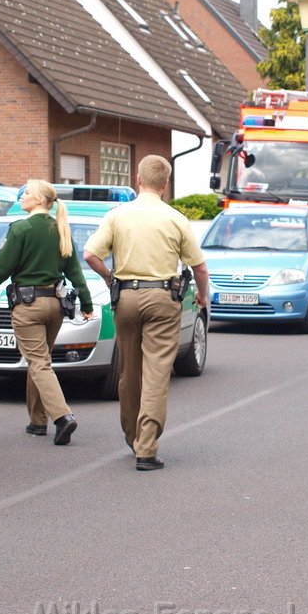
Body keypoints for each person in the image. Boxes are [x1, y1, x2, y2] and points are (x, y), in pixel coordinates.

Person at [83, 155, 209, 472]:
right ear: (165, 185)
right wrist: (203, 296)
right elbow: (199, 266)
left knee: (129, 372)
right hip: (163, 298)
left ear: (138, 179)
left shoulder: (117, 216)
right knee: (156, 374)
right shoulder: (176, 219)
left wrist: (111, 278)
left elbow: (90, 255)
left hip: (126, 297)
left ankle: (132, 435)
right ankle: (146, 448)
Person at [0, 179, 94, 444]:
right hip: (54, 306)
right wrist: (86, 304)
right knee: (41, 361)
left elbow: (1, 269)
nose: (22, 196)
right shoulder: (60, 229)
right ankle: (37, 421)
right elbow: (75, 272)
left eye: (27, 193)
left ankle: (62, 418)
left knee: (38, 362)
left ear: (40, 200)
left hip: (28, 306)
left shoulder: (21, 228)